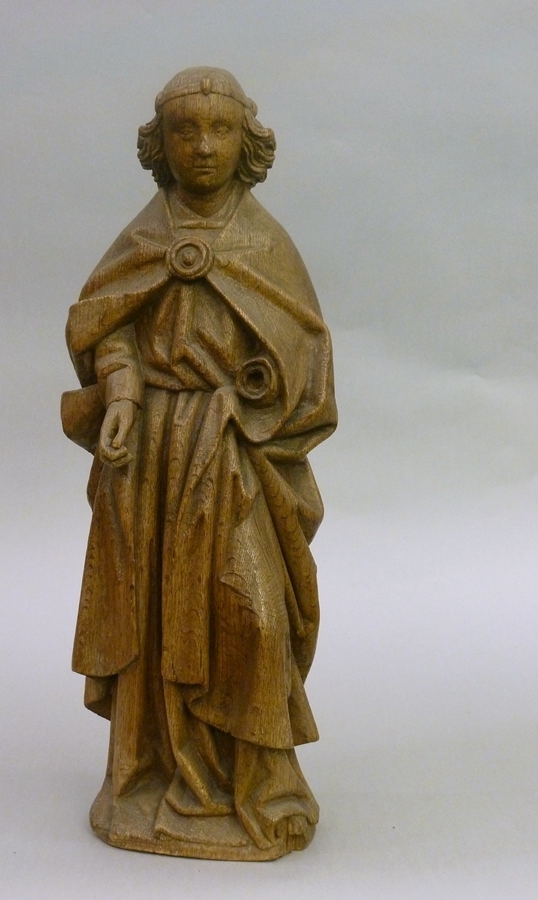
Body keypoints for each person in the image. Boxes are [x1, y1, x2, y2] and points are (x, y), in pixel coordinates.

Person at [61, 67, 337, 860]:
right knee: (151, 614)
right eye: (186, 131)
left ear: (246, 143)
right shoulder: (142, 240)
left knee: (252, 615)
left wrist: (256, 393)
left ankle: (261, 784)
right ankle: (148, 774)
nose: (203, 147)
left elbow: (306, 360)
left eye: (219, 130)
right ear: (162, 145)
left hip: (231, 456)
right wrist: (120, 393)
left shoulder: (264, 245)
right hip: (151, 456)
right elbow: (107, 326)